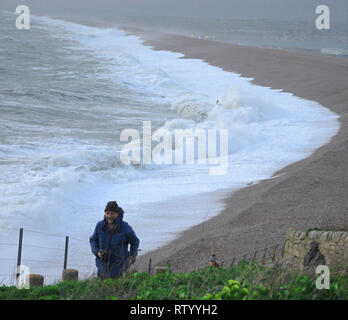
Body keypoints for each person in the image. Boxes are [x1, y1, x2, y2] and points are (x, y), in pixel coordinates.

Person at [90, 201, 139, 279]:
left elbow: (135, 241)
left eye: (112, 213)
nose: (109, 216)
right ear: (105, 213)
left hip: (119, 270)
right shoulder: (99, 226)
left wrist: (131, 258)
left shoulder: (125, 227)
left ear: (117, 214)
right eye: (107, 213)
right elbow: (93, 240)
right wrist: (97, 252)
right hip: (102, 268)